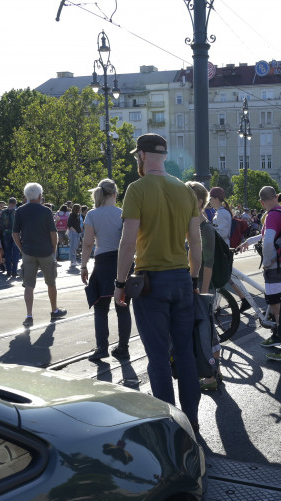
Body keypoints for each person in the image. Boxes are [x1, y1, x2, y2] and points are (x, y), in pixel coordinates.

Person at [114, 133, 202, 430]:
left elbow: (128, 243)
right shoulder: (185, 191)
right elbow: (197, 243)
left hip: (151, 282)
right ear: (163, 155)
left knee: (158, 358)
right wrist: (194, 278)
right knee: (185, 353)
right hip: (181, 279)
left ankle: (170, 424)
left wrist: (119, 283)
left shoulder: (136, 189)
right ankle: (191, 419)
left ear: (141, 156)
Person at [81, 179, 131, 362]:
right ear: (116, 194)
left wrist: (83, 266)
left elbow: (87, 244)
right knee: (123, 307)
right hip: (123, 262)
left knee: (100, 308)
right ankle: (123, 349)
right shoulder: (124, 213)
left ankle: (102, 348)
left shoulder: (92, 215)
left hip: (102, 263)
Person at [252, 185, 281, 362]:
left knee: (278, 309)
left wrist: (266, 261)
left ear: (262, 202)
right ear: (277, 196)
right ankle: (279, 336)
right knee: (280, 305)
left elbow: (269, 240)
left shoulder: (271, 215)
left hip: (276, 268)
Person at [12, 183, 66, 326]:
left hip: (28, 251)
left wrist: (22, 249)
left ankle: (29, 315)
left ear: (26, 196)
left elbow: (15, 233)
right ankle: (54, 310)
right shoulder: (46, 211)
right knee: (51, 282)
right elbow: (53, 233)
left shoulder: (20, 211)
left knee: (28, 285)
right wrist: (54, 249)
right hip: (45, 251)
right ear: (40, 196)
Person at [188, 181, 223, 391]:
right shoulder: (191, 224)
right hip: (194, 285)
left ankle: (212, 376)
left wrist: (204, 294)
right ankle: (214, 371)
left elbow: (208, 264)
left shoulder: (205, 228)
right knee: (204, 331)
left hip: (203, 287)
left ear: (199, 201)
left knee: (208, 332)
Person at [0, 197, 20, 278]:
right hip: (15, 233)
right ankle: (14, 271)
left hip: (6, 233)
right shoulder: (16, 212)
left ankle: (8, 270)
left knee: (7, 252)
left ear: (8, 203)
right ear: (15, 203)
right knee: (15, 253)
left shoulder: (3, 212)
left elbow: (0, 223)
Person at [67, 204, 83, 270]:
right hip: (74, 232)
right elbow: (69, 224)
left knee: (75, 246)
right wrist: (74, 230)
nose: (80, 209)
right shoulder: (72, 215)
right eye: (79, 208)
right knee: (73, 247)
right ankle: (72, 261)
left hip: (77, 232)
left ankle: (73, 260)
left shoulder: (77, 215)